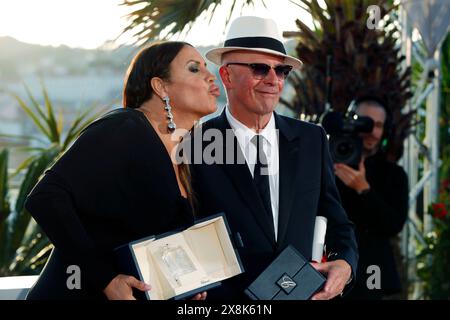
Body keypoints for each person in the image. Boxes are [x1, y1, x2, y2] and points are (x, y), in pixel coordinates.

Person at [24, 41, 220, 300]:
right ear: (160, 87)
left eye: (207, 67)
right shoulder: (125, 128)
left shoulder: (184, 154)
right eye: (194, 69)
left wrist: (186, 283)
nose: (210, 76)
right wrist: (105, 279)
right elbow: (45, 198)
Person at [188, 16, 358, 300]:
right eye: (259, 69)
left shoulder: (311, 140)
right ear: (227, 76)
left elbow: (337, 222)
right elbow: (181, 230)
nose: (273, 80)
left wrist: (345, 264)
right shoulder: (196, 144)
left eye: (282, 71)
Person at [334, 97, 408, 300]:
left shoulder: (394, 174)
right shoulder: (326, 161)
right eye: (364, 122)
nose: (370, 131)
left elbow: (393, 224)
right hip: (327, 267)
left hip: (371, 274)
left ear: (385, 130)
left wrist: (364, 189)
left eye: (377, 125)